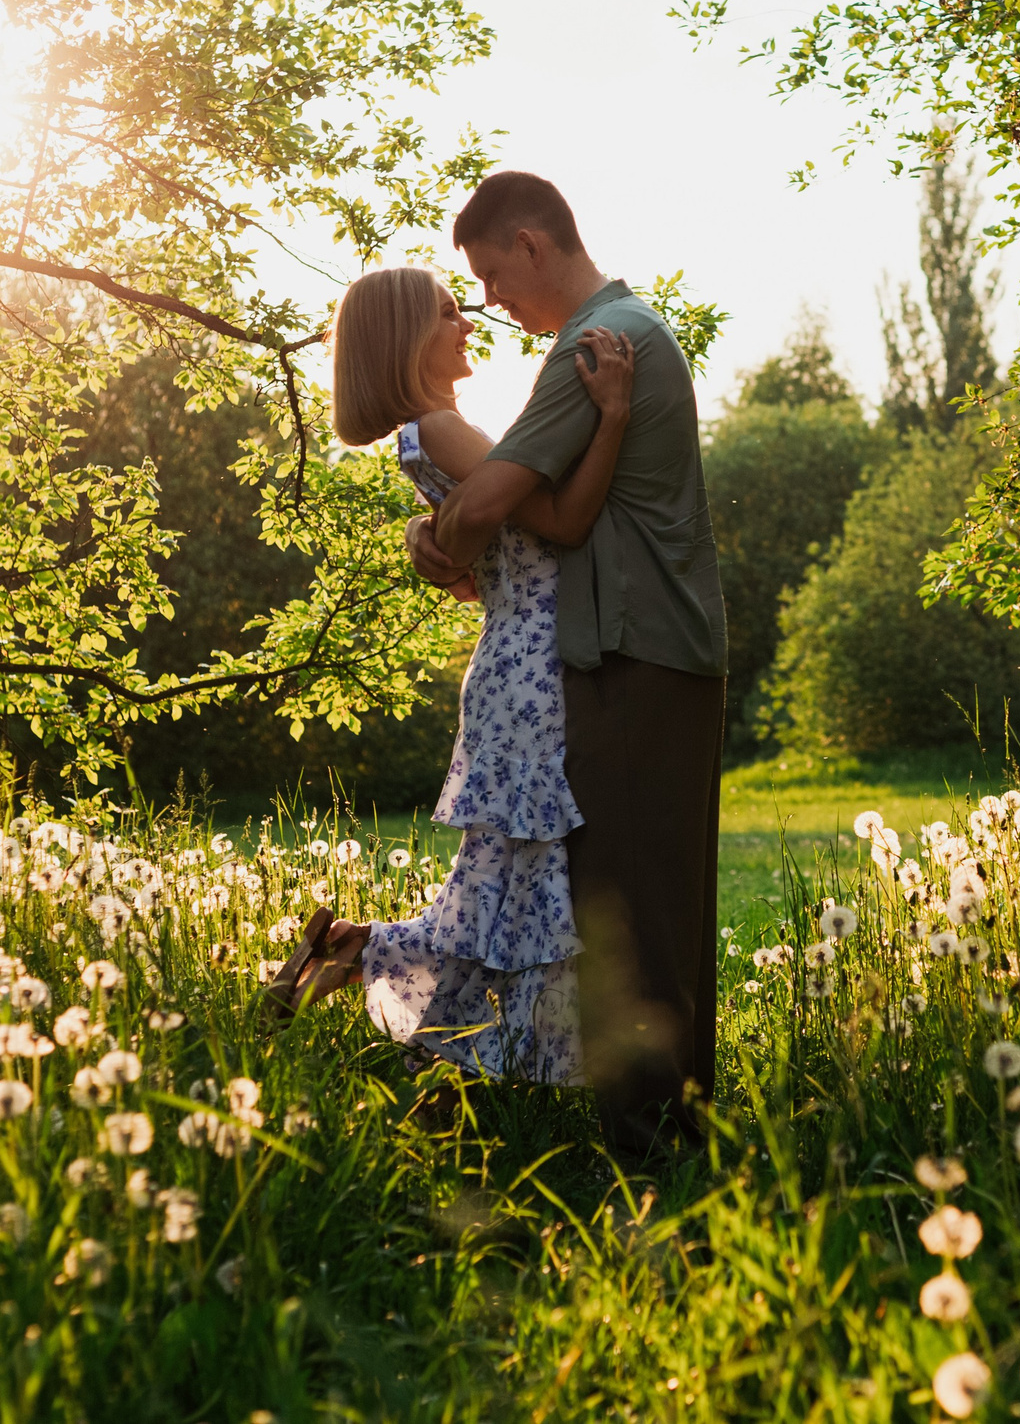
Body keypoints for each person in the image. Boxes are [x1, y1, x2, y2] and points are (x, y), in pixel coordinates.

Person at [403, 171, 728, 1158]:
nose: (492, 301)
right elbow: (539, 511)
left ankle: (653, 1147)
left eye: (493, 275)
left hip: (631, 657)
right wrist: (447, 533)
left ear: (532, 242)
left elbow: (499, 495)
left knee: (629, 907)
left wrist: (432, 539)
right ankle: (671, 1135)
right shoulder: (617, 335)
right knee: (652, 897)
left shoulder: (594, 345)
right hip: (650, 654)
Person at [263, 265, 633, 1087]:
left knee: (504, 880)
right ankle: (461, 1051)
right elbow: (568, 520)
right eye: (449, 311)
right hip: (529, 673)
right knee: (520, 881)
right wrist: (610, 416)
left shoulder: (434, 434)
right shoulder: (442, 429)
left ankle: (360, 953)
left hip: (517, 670)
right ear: (408, 337)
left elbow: (483, 563)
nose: (468, 323)